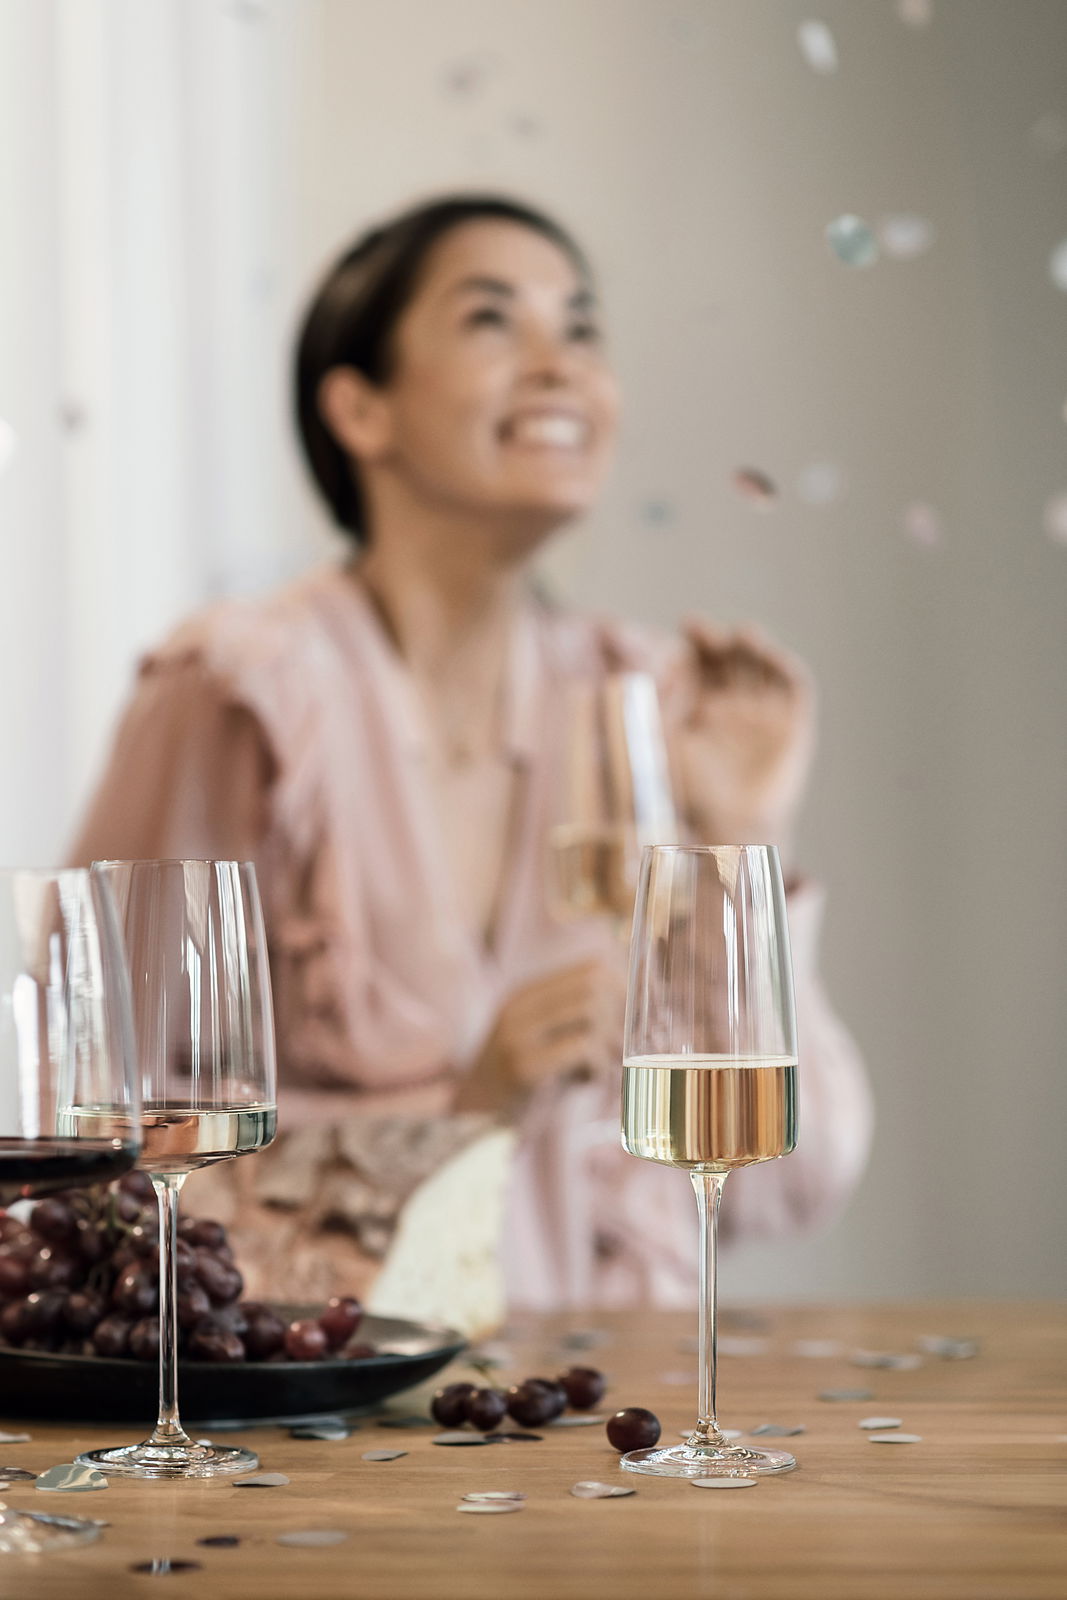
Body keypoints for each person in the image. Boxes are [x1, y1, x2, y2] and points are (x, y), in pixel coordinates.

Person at [69, 194, 872, 1312]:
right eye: (494, 320)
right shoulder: (239, 692)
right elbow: (104, 1178)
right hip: (345, 1393)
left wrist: (744, 839)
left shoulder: (645, 702)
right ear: (360, 408)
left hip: (609, 1397)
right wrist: (464, 1112)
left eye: (580, 327)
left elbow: (793, 1178)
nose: (560, 366)